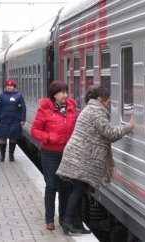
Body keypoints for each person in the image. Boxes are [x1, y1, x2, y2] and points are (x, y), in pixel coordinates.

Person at [56, 86, 134, 235]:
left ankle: (77, 224)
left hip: (80, 155)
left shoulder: (91, 109)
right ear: (100, 99)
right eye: (108, 97)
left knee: (78, 190)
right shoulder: (96, 112)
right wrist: (128, 127)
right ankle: (67, 222)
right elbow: (109, 133)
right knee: (78, 190)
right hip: (82, 157)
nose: (110, 100)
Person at [31, 81, 78, 231]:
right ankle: (49, 219)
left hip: (67, 153)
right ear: (53, 94)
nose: (65, 95)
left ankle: (63, 217)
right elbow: (35, 130)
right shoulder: (44, 111)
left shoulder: (71, 110)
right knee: (51, 185)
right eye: (62, 92)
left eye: (66, 92)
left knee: (65, 186)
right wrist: (48, 138)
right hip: (50, 153)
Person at [0, 80, 26, 162]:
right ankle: (2, 156)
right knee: (3, 137)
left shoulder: (19, 96)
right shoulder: (2, 96)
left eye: (11, 86)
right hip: (3, 119)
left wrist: (22, 119)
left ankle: (11, 155)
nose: (9, 87)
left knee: (13, 137)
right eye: (7, 86)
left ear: (14, 87)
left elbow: (22, 108)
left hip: (15, 120)